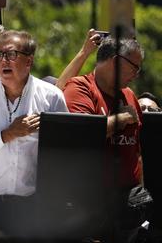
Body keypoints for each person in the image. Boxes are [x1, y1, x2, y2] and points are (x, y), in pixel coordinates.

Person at [0, 30, 68, 236]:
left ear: (29, 61)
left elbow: (63, 154)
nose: (3, 61)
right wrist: (7, 134)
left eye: (11, 55)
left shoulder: (51, 98)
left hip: (35, 205)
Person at [62, 37, 144, 242]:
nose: (135, 75)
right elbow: (83, 135)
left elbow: (138, 151)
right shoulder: (80, 89)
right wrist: (122, 119)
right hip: (92, 200)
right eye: (134, 67)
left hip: (130, 201)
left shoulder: (129, 95)